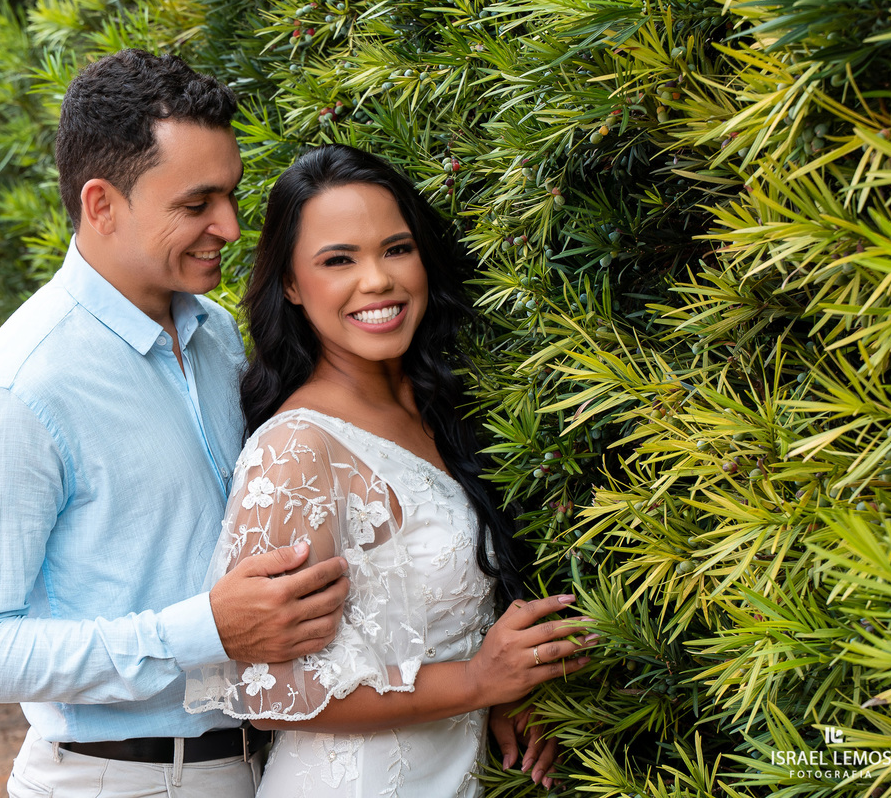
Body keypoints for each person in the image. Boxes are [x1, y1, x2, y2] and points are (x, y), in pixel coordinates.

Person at [0, 50, 351, 798]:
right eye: (197, 204)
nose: (229, 225)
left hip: (268, 767)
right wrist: (202, 632)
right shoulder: (20, 390)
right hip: (117, 782)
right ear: (102, 204)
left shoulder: (218, 333)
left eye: (230, 195)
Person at [184, 145, 595, 796]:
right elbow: (266, 689)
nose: (376, 280)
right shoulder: (297, 449)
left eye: (396, 249)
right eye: (338, 260)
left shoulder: (440, 408)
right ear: (291, 284)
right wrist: (478, 682)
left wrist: (501, 689)